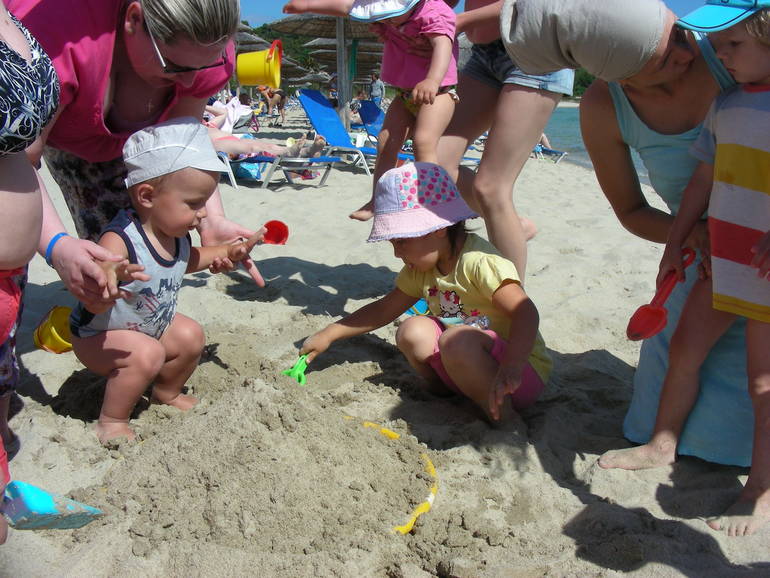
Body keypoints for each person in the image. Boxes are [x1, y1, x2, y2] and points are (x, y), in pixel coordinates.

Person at [489, 0, 753, 527]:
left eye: (681, 38)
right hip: (698, 262)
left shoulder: (735, 55)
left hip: (757, 249)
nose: (688, 55)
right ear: (619, 76)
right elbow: (632, 211)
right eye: (664, 60)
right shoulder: (604, 106)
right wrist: (692, 237)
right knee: (667, 392)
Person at [599, 2, 770, 537]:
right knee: (683, 351)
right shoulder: (728, 103)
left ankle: (760, 488)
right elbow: (703, 178)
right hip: (723, 265)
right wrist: (675, 242)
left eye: (734, 45)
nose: (720, 55)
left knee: (763, 383)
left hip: (767, 276)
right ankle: (662, 442)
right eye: (718, 45)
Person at [8, 0, 268, 315]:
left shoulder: (205, 45)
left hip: (140, 143)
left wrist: (211, 219)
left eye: (202, 68)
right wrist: (57, 246)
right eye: (175, 66)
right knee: (16, 254)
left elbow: (182, 143)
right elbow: (15, 159)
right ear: (133, 19)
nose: (189, 83)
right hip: (30, 140)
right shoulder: (54, 37)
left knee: (134, 274)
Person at [299, 162, 552, 422]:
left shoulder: (479, 262)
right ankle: (443, 389)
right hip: (465, 363)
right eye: (393, 243)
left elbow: (525, 313)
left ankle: (505, 420)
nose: (397, 253)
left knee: (456, 340)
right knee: (412, 331)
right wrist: (329, 334)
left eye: (401, 241)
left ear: (438, 228)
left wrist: (512, 365)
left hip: (514, 377)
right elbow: (384, 310)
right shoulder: (422, 269)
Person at [69, 120, 263, 444]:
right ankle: (112, 420)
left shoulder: (176, 235)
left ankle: (166, 393)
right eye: (194, 203)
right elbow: (99, 273)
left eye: (205, 202)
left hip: (147, 326)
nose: (203, 214)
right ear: (147, 196)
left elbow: (187, 260)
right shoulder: (122, 239)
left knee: (190, 336)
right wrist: (109, 274)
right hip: (98, 336)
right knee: (146, 354)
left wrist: (228, 251)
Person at [284, 0, 460, 220]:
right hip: (405, 94)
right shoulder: (389, 19)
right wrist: (308, 5)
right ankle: (378, 199)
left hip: (439, 92)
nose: (387, 20)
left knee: (423, 141)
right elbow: (345, 7)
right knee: (385, 142)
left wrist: (432, 80)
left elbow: (443, 45)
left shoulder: (433, 11)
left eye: (391, 14)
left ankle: (433, 202)